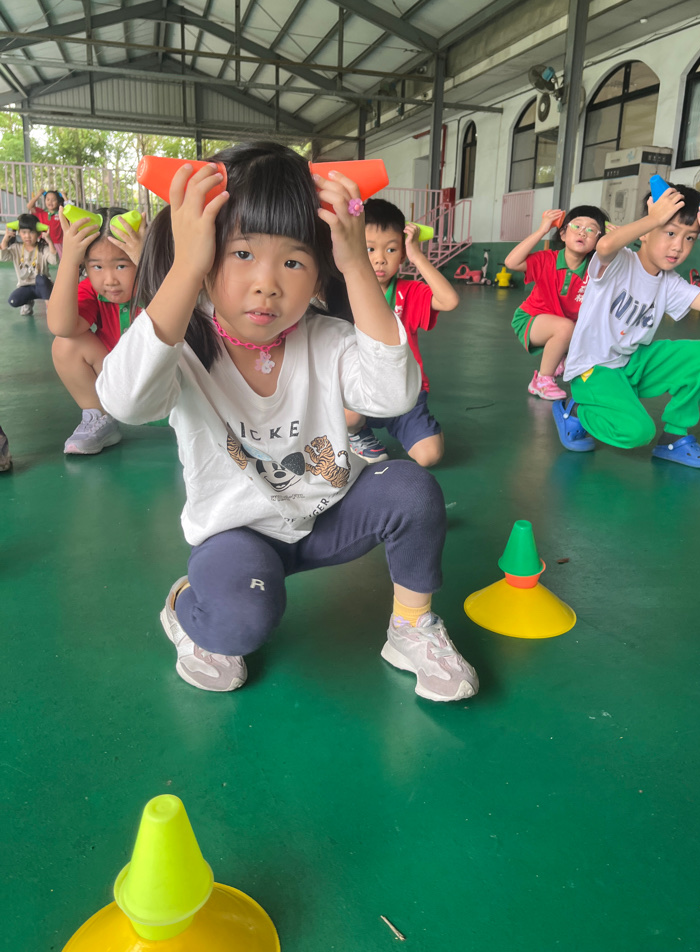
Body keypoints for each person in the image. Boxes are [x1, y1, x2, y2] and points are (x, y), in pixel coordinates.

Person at [96, 143, 478, 701]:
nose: (267, 283)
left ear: (320, 273)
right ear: (206, 256)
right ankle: (186, 606)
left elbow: (394, 395)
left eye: (294, 261)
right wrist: (187, 266)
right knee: (241, 622)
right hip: (238, 534)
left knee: (412, 489)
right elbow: (124, 401)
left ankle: (411, 627)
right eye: (241, 253)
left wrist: (356, 264)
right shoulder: (185, 345)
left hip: (325, 514)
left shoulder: (327, 339)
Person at [552, 184, 700, 467]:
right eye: (670, 233)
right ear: (645, 231)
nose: (678, 246)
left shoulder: (670, 283)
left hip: (631, 363)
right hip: (593, 369)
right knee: (637, 432)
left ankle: (674, 438)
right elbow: (604, 245)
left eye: (690, 238)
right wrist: (654, 218)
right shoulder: (619, 261)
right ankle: (573, 410)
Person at [345, 198, 459, 466]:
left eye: (391, 249)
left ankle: (421, 428)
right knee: (349, 416)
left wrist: (417, 255)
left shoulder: (409, 292)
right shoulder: (344, 291)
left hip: (405, 394)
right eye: (369, 248)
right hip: (360, 391)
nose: (380, 259)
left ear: (403, 254)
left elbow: (449, 301)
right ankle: (357, 432)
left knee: (429, 457)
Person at [47, 207, 144, 455]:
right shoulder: (91, 290)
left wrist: (148, 262)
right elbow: (61, 326)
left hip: (167, 382)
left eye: (121, 265)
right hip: (117, 379)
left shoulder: (159, 285)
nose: (110, 279)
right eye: (97, 267)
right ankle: (100, 417)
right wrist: (69, 261)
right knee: (66, 344)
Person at [505, 206, 606, 400]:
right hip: (532, 319)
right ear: (563, 234)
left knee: (598, 329)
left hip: (570, 326)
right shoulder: (546, 260)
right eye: (577, 226)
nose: (583, 232)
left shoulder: (595, 270)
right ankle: (542, 380)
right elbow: (511, 262)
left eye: (591, 229)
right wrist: (542, 230)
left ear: (597, 242)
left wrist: (615, 240)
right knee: (565, 327)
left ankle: (562, 358)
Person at [1, 213, 58, 315]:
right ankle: (28, 301)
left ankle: (49, 306)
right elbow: (3, 257)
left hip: (43, 286)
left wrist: (50, 242)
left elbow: (54, 261)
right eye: (23, 232)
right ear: (19, 232)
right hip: (25, 286)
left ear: (38, 233)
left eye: (31, 232)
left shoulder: (43, 248)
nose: (27, 236)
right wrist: (5, 239)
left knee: (41, 278)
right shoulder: (16, 248)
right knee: (13, 301)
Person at [27, 188, 67, 256]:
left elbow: (70, 209)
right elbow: (29, 206)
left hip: (57, 244)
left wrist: (65, 197)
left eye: (53, 200)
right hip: (43, 243)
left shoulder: (62, 213)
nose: (50, 202)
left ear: (59, 202)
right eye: (48, 199)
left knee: (58, 260)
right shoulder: (41, 212)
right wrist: (38, 194)